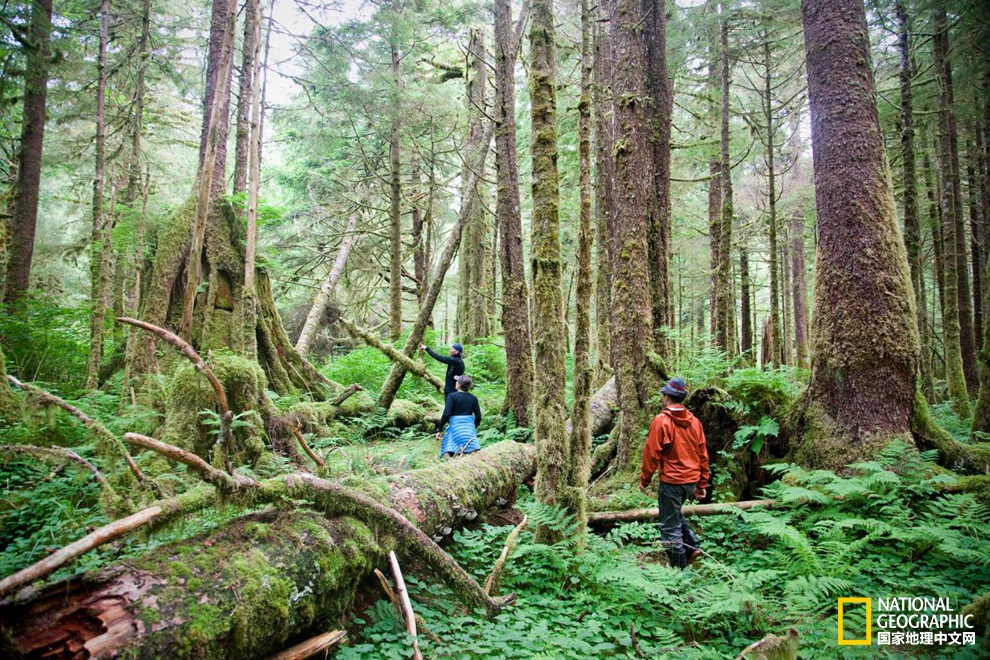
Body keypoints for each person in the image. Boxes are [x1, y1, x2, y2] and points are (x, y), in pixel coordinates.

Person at [640, 377, 710, 569]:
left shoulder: (661, 421)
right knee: (672, 514)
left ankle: (680, 574)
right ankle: (693, 547)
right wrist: (701, 484)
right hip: (690, 482)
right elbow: (703, 455)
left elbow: (651, 453)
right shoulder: (695, 422)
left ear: (667, 397)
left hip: (672, 482)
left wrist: (645, 479)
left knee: (669, 530)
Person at [436, 374, 481, 458]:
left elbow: (446, 414)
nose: (455, 382)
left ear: (459, 384)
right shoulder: (473, 398)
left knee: (448, 446)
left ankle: (449, 462)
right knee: (471, 450)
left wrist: (439, 429)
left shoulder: (452, 396)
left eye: (457, 381)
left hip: (455, 428)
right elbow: (478, 417)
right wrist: (472, 427)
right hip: (469, 430)